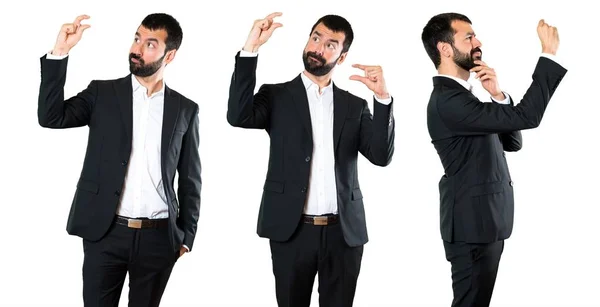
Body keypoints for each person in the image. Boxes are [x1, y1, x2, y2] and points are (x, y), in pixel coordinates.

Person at [227, 12, 395, 307]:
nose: (319, 48)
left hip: (343, 235)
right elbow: (238, 116)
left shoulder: (354, 106)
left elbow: (381, 156)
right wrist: (250, 48)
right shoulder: (276, 96)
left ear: (341, 57)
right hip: (292, 232)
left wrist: (382, 98)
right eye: (315, 38)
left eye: (331, 44)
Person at [37, 13, 201, 307]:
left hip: (159, 238)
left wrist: (186, 235)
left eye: (150, 44)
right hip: (106, 233)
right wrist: (60, 52)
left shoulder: (185, 109)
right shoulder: (102, 93)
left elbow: (190, 178)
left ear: (170, 55)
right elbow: (51, 117)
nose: (137, 49)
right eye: (137, 38)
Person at [421, 13, 567, 307]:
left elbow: (512, 142)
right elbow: (528, 117)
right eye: (469, 37)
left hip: (484, 223)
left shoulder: (465, 97)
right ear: (445, 49)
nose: (478, 42)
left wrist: (498, 95)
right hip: (471, 227)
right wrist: (548, 55)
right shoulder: (448, 101)